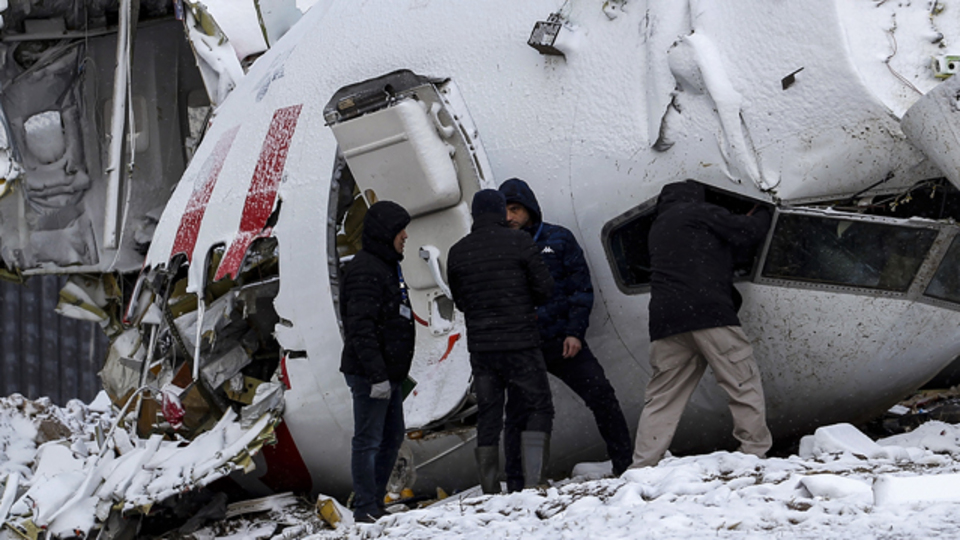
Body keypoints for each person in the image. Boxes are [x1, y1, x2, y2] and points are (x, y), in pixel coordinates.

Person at [498, 178, 633, 489]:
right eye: (504, 210)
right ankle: (517, 483)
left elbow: (581, 288)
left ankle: (625, 464)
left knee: (602, 395)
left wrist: (575, 331)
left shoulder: (558, 239)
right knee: (517, 414)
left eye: (515, 209)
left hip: (562, 341)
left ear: (529, 210)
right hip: (524, 347)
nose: (509, 217)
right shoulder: (499, 247)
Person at [632, 180, 773, 469]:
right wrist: (765, 211)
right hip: (709, 315)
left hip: (665, 322)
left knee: (663, 398)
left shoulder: (658, 228)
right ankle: (755, 452)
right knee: (742, 383)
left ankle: (643, 464)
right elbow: (748, 232)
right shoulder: (697, 212)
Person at [447, 189, 555, 493]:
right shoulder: (519, 242)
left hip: (483, 350)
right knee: (538, 406)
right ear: (499, 212)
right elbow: (545, 289)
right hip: (520, 343)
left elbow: (461, 301)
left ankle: (490, 485)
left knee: (490, 414)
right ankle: (535, 479)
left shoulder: (458, 251)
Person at [339, 200, 415, 522]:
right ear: (386, 232)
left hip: (389, 373)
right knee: (369, 440)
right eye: (401, 229)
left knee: (392, 436)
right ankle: (365, 507)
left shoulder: (386, 265)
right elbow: (361, 328)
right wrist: (377, 375)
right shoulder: (365, 270)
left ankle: (375, 500)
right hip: (373, 375)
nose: (406, 236)